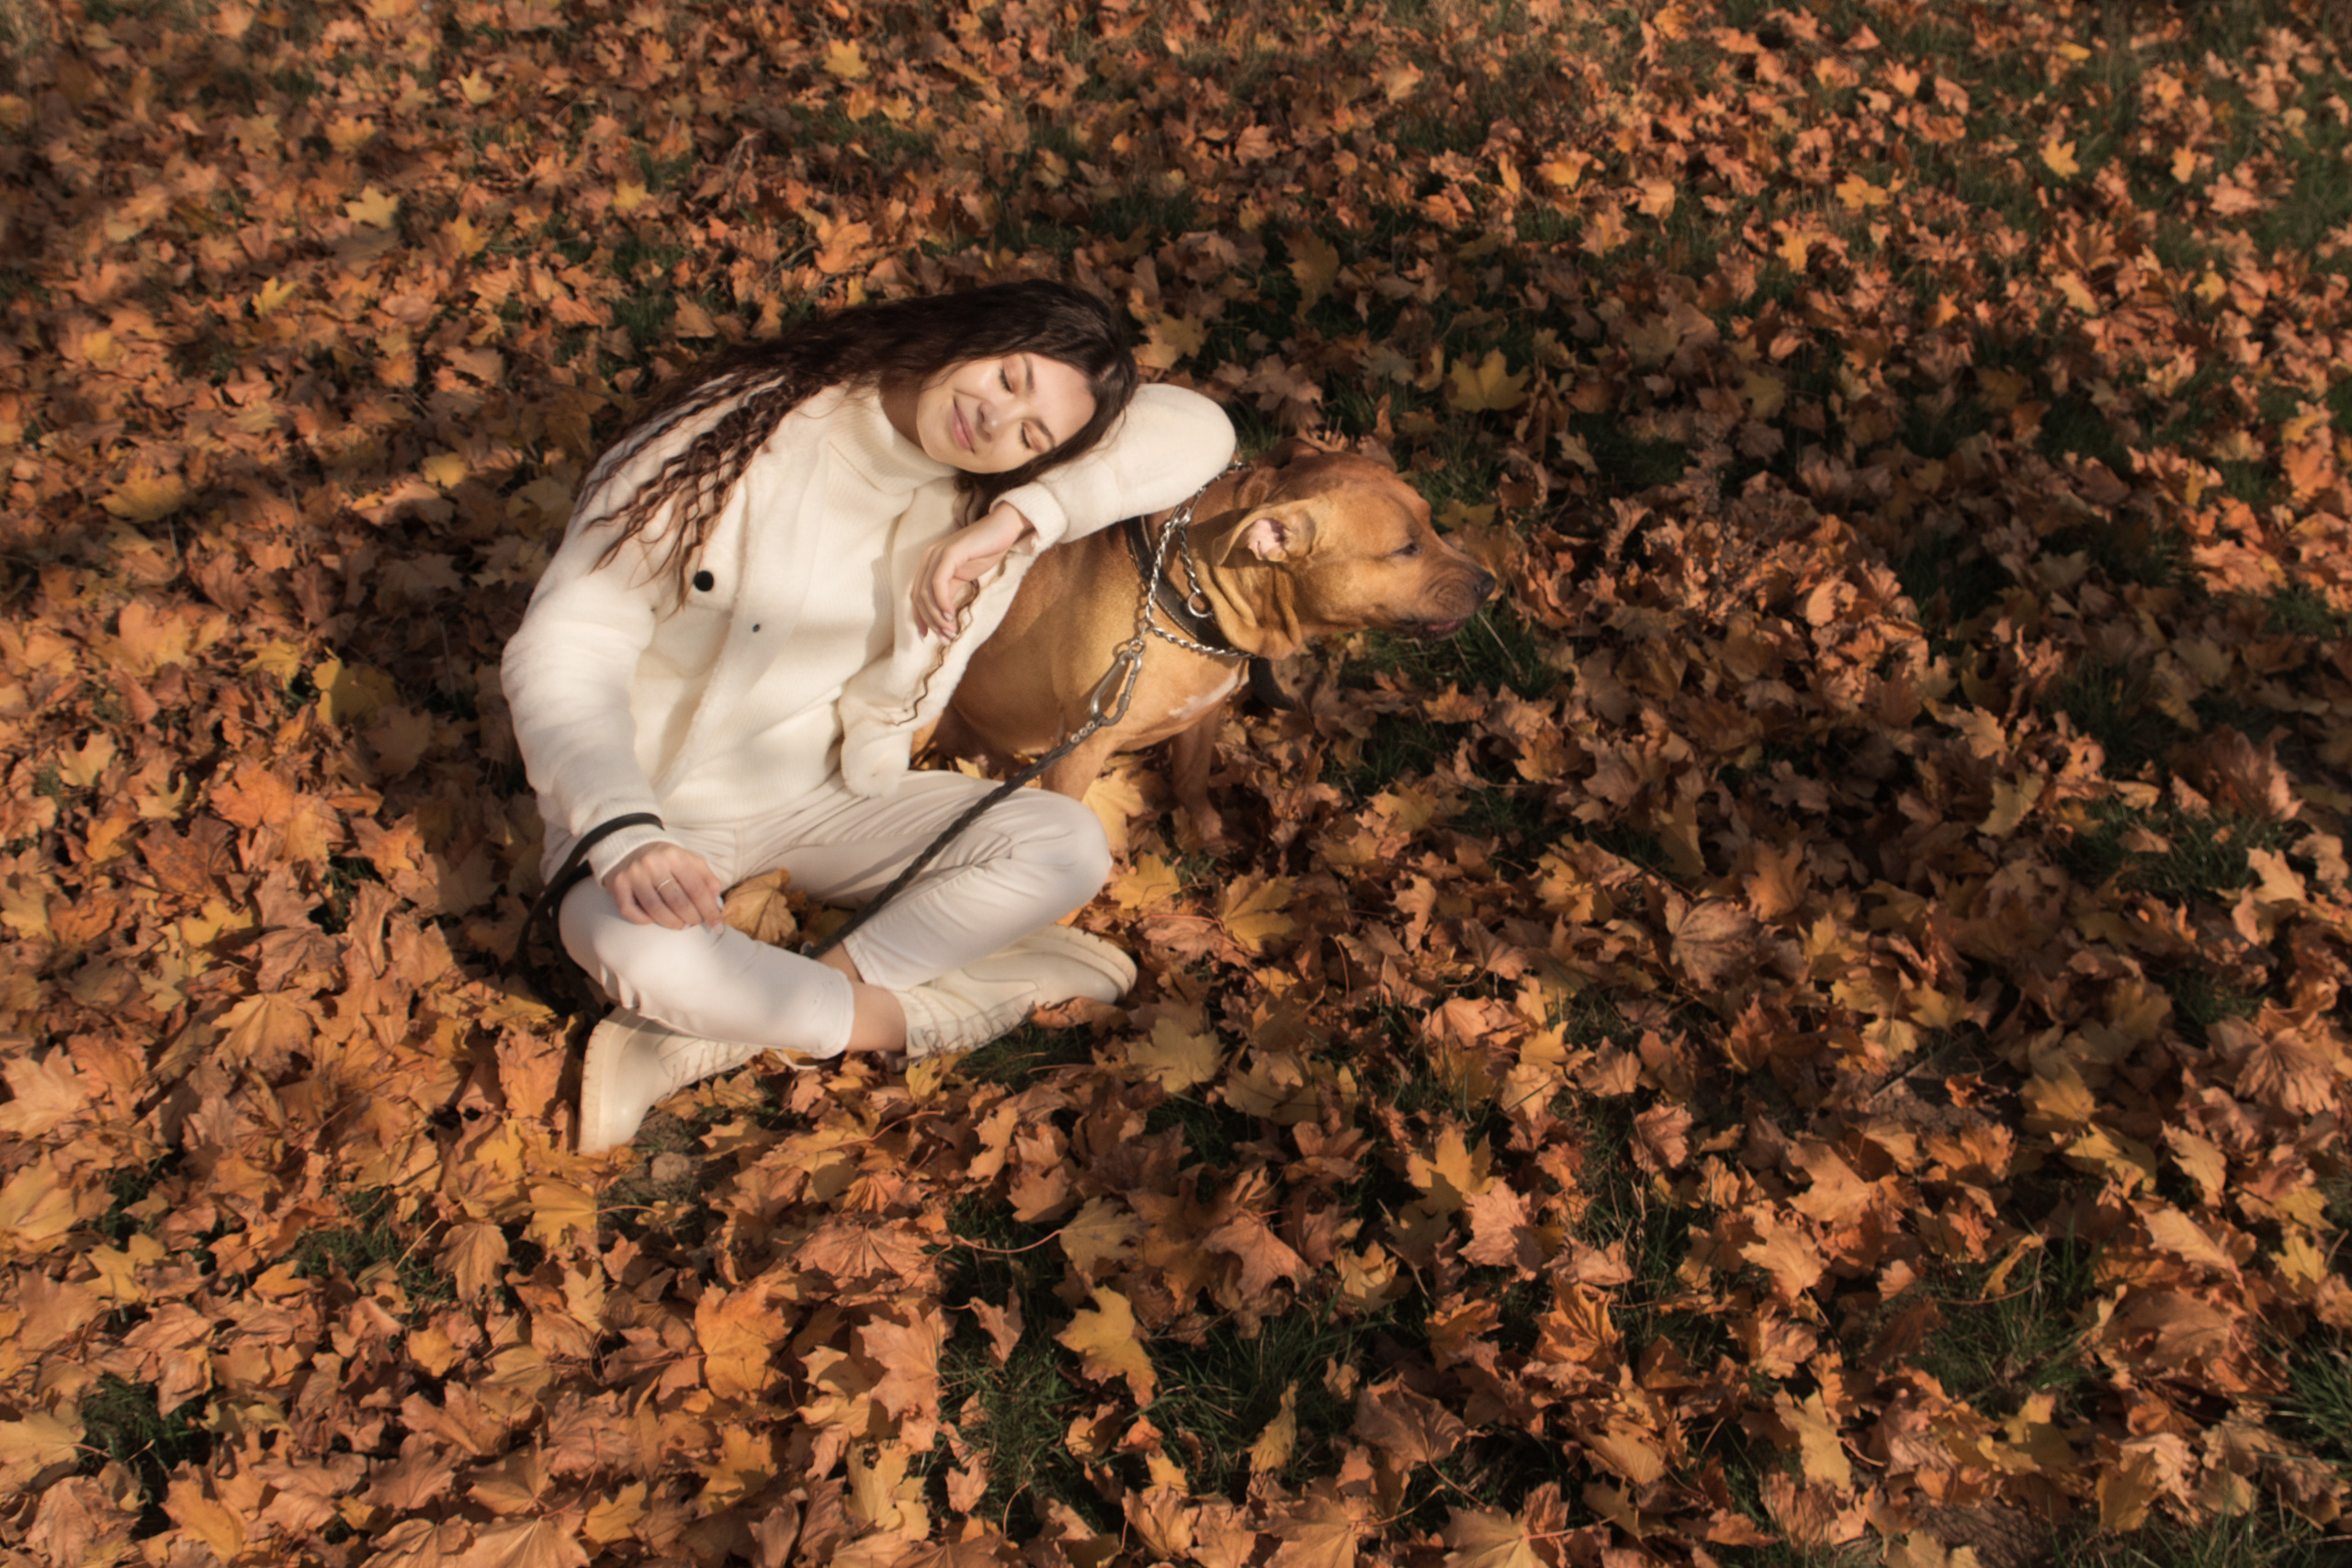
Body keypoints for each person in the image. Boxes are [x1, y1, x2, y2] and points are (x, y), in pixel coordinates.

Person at [503, 280, 1235, 1154]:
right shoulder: (731, 440)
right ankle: (927, 1015)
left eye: (1035, 436)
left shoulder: (976, 496)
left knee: (1064, 843)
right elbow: (566, 643)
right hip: (651, 809)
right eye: (1008, 377)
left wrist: (1016, 518)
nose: (998, 424)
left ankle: (719, 1030)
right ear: (966, 329)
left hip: (824, 797)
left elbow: (1204, 431)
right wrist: (623, 829)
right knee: (640, 955)